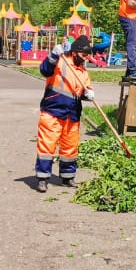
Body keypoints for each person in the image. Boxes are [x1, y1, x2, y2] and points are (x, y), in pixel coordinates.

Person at [33, 34, 96, 193]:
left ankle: (68, 177)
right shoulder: (60, 62)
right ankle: (42, 178)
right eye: (83, 55)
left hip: (72, 114)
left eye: (87, 56)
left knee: (70, 147)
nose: (85, 58)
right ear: (74, 52)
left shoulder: (83, 72)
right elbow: (45, 70)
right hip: (53, 111)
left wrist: (88, 94)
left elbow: (84, 89)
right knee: (47, 146)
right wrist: (53, 55)